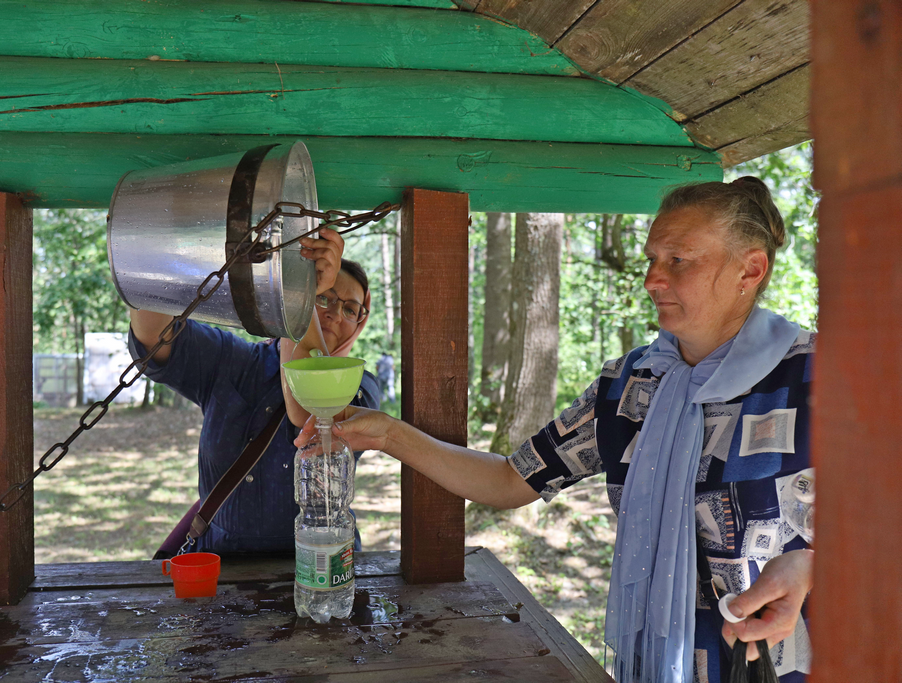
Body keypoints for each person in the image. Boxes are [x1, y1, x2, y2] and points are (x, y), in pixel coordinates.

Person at [297, 178, 814, 683]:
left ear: (750, 269)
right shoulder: (630, 385)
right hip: (657, 665)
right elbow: (509, 480)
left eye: (678, 260)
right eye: (651, 259)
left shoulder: (824, 377)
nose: (652, 278)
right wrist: (388, 435)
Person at [129, 227, 380, 556]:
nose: (335, 313)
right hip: (218, 571)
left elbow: (310, 412)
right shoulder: (234, 361)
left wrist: (295, 296)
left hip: (323, 570)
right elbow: (152, 334)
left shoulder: (361, 385)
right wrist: (160, 236)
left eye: (350, 308)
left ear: (360, 322)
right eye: (322, 297)